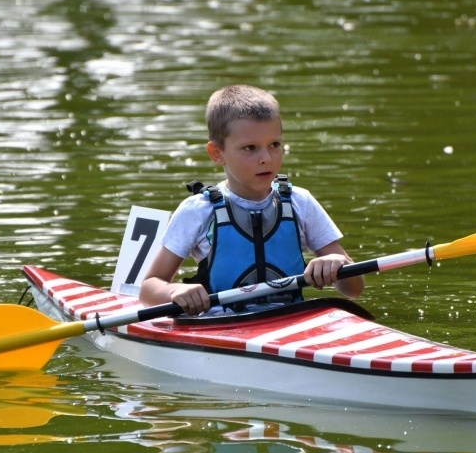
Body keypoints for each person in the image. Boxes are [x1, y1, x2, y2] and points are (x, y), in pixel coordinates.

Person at [139, 85, 364, 315]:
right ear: (217, 153)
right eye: (250, 148)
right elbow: (149, 288)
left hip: (291, 321)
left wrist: (338, 263)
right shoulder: (197, 211)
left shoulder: (300, 202)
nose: (266, 158)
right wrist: (173, 292)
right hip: (221, 328)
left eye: (274, 145)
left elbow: (354, 289)